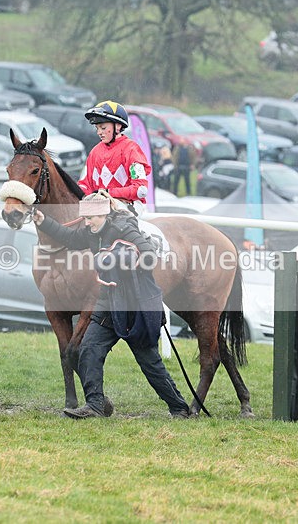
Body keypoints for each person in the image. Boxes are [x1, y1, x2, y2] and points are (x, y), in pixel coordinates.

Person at [31, 193, 191, 420]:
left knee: (150, 363)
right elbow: (69, 237)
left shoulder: (125, 227)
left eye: (91, 218)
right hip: (109, 302)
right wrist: (42, 221)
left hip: (136, 304)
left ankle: (179, 408)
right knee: (89, 350)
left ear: (104, 213)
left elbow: (148, 255)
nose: (87, 223)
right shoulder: (91, 232)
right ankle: (95, 405)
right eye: (84, 218)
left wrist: (118, 259)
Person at [78, 100, 151, 216]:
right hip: (99, 207)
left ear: (118, 126)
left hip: (128, 208)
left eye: (103, 127)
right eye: (97, 128)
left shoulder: (132, 149)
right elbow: (86, 184)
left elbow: (140, 189)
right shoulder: (94, 152)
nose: (99, 132)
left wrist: (108, 193)